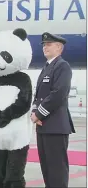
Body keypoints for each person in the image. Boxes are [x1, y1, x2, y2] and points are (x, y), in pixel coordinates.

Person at [31, 32, 75, 188]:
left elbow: (59, 93)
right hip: (44, 126)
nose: (45, 47)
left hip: (56, 126)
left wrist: (38, 113)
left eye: (48, 44)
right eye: (43, 45)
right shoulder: (47, 67)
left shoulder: (62, 66)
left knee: (57, 169)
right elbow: (39, 95)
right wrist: (34, 111)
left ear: (59, 47)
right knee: (47, 168)